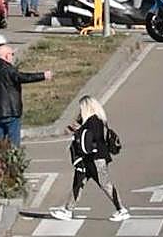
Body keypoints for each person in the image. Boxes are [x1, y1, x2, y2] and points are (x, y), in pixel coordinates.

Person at [50, 95, 130, 223]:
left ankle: (122, 210)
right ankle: (68, 210)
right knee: (78, 183)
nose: (80, 111)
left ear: (86, 108)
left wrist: (79, 131)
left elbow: (91, 139)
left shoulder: (94, 122)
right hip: (88, 159)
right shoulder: (92, 121)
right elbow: (69, 130)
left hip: (96, 159)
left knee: (105, 184)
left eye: (81, 108)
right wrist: (77, 125)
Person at [0, 41, 52, 147]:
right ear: (6, 56)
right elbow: (22, 77)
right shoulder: (8, 69)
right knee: (13, 143)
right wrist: (43, 75)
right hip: (11, 112)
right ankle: (13, 161)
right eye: (12, 54)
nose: (12, 57)